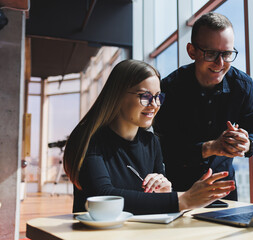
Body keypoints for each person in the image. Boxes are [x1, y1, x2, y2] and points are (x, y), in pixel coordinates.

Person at [63, 59, 235, 215]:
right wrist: (182, 199)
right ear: (118, 95)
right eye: (145, 96)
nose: (154, 105)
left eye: (158, 97)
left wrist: (165, 190)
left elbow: (155, 200)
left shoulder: (151, 142)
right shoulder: (90, 139)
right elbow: (102, 195)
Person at [153, 12, 253, 200]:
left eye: (227, 54)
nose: (220, 63)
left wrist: (246, 142)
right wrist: (211, 147)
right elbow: (163, 149)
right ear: (191, 51)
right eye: (211, 54)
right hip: (179, 190)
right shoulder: (169, 89)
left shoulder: (243, 86)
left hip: (224, 189)